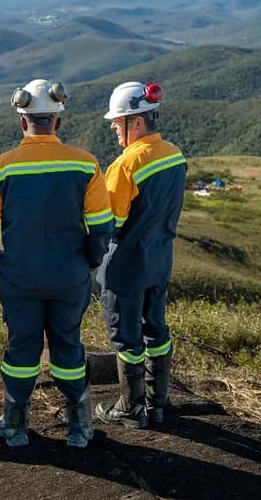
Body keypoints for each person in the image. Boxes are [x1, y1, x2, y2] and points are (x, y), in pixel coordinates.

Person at [0, 79, 114, 449]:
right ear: (58, 122)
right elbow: (101, 228)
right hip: (70, 276)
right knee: (68, 347)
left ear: (22, 122)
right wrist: (89, 261)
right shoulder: (85, 164)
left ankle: (15, 426)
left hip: (20, 279)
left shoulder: (0, 168)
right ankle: (79, 425)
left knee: (21, 351)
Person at [95, 81, 187, 427]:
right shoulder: (175, 153)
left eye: (117, 123)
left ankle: (130, 409)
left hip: (126, 267)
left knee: (126, 337)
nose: (113, 129)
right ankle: (158, 403)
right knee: (157, 332)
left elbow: (110, 222)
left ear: (135, 122)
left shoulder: (125, 165)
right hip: (160, 260)